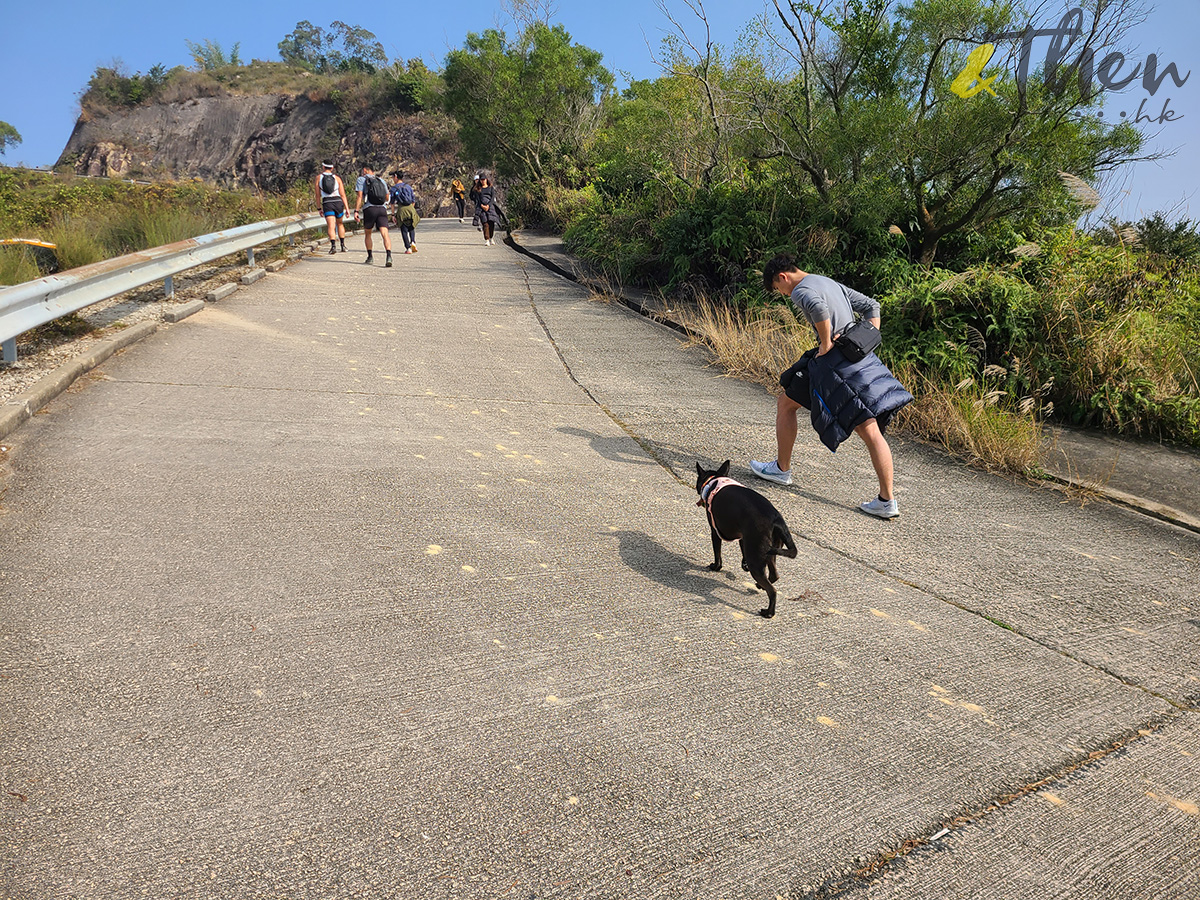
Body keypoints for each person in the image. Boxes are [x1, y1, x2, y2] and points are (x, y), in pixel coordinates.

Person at [751, 254, 913, 519]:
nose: (782, 294)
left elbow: (818, 310)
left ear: (782, 277)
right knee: (790, 402)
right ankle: (886, 500)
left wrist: (826, 345)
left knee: (866, 428)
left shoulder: (801, 289)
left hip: (836, 367)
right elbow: (872, 306)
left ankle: (782, 470)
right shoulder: (827, 282)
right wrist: (863, 341)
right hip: (860, 361)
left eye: (778, 289)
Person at [353, 164, 393, 267]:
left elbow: (359, 196)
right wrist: (385, 205)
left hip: (369, 209)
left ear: (365, 170)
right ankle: (388, 256)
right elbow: (387, 196)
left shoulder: (362, 180)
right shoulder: (381, 180)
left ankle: (370, 257)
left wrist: (356, 211)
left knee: (368, 234)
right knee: (385, 233)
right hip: (381, 209)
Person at [314, 162, 348, 254]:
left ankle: (333, 246)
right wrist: (347, 208)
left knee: (331, 226)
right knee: (340, 224)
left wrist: (319, 208)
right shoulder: (337, 178)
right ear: (332, 168)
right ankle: (343, 245)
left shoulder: (318, 178)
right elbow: (343, 194)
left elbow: (317, 195)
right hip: (338, 202)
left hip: (327, 202)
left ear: (323, 167)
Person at [389, 171, 420, 254]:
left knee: (404, 229)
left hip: (401, 209)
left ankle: (408, 248)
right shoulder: (408, 187)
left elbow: (392, 203)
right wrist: (411, 209)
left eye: (393, 177)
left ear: (396, 177)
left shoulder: (394, 189)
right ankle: (413, 241)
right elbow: (413, 200)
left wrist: (393, 215)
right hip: (410, 208)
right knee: (411, 226)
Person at [472, 176, 500, 246]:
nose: (483, 181)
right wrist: (482, 205)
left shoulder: (491, 188)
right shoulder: (477, 189)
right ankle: (487, 239)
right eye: (481, 180)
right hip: (481, 208)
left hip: (490, 207)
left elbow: (492, 198)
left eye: (484, 179)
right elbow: (477, 199)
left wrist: (488, 205)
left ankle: (491, 238)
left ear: (486, 180)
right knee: (485, 223)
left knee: (491, 223)